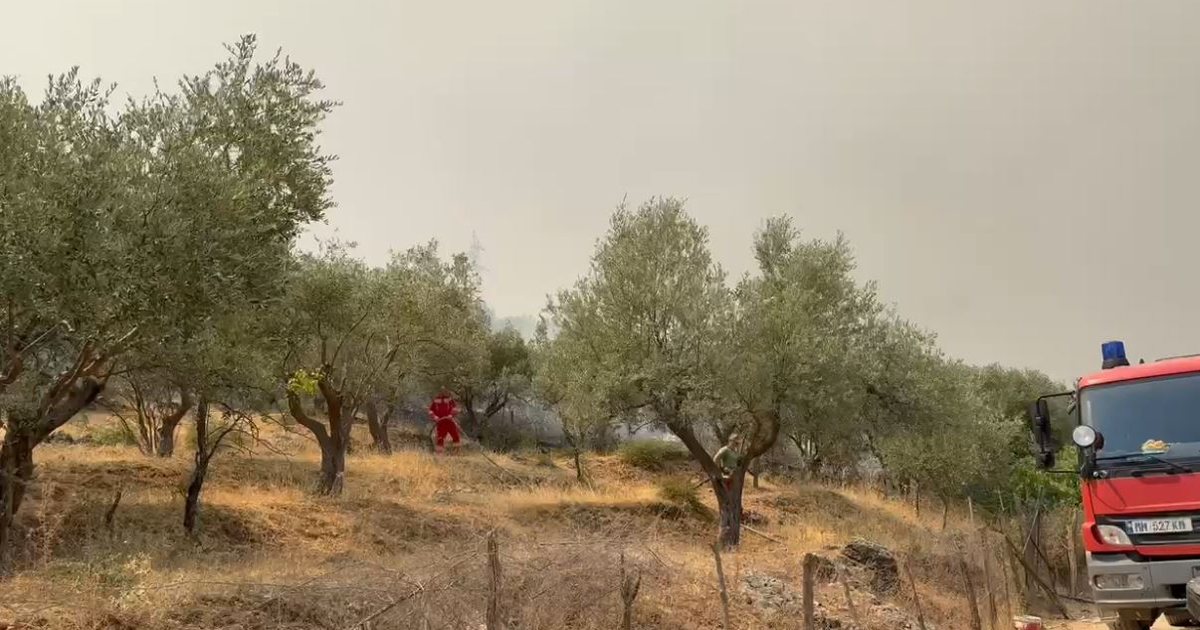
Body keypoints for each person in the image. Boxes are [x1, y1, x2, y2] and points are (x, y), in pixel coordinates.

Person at [428, 388, 461, 454]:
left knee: (456, 436)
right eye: (441, 390)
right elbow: (431, 411)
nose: (442, 392)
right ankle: (440, 454)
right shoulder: (435, 400)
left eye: (444, 390)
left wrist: (451, 415)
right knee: (440, 438)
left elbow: (455, 408)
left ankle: (456, 452)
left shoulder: (449, 399)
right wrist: (435, 417)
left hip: (450, 422)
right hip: (441, 423)